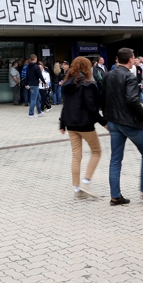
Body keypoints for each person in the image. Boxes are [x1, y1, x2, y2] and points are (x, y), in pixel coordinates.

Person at [102, 47, 143, 205]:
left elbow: (102, 98)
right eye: (134, 57)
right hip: (129, 123)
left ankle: (115, 196)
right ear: (130, 60)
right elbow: (132, 100)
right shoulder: (130, 76)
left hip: (113, 122)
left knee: (115, 159)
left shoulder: (107, 75)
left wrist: (105, 119)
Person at [59, 57, 106, 199]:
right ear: (87, 68)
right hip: (85, 124)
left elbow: (65, 104)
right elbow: (92, 107)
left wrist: (62, 124)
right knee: (96, 151)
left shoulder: (66, 83)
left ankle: (77, 189)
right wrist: (104, 122)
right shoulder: (88, 85)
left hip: (71, 124)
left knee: (76, 156)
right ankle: (86, 181)